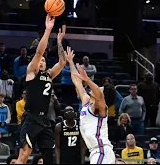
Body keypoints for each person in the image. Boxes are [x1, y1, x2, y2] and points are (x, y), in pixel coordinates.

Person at [16, 15, 67, 164]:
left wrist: (59, 42)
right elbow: (39, 53)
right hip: (31, 118)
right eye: (40, 61)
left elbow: (62, 62)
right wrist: (48, 30)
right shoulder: (31, 72)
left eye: (44, 60)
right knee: (25, 154)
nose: (42, 61)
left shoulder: (49, 75)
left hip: (44, 119)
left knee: (49, 158)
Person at [66, 46, 116, 164]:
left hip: (102, 150)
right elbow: (77, 81)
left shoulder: (102, 108)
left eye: (100, 88)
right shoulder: (86, 101)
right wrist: (70, 62)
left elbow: (99, 95)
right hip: (95, 151)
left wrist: (87, 80)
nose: (97, 87)